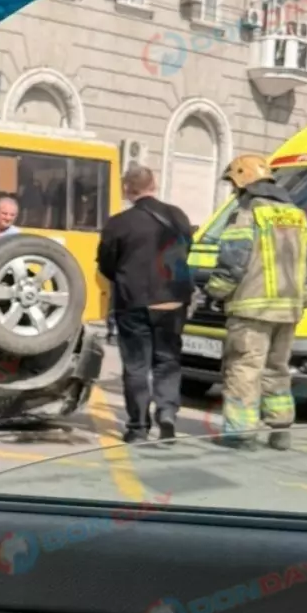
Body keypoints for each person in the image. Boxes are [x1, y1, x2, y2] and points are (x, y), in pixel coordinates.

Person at [206, 154, 307, 451]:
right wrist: (300, 300)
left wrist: (215, 292)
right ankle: (281, 429)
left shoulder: (248, 212)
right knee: (276, 369)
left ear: (243, 181)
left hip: (252, 309)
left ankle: (240, 433)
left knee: (244, 368)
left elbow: (233, 260)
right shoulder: (296, 214)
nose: (233, 190)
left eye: (234, 184)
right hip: (288, 309)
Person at [96, 166, 195, 443]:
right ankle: (166, 412)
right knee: (168, 360)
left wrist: (126, 279)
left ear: (127, 189)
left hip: (134, 301)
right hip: (173, 300)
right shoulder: (178, 216)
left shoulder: (119, 223)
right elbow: (187, 251)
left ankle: (138, 427)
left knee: (137, 366)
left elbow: (106, 264)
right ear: (154, 184)